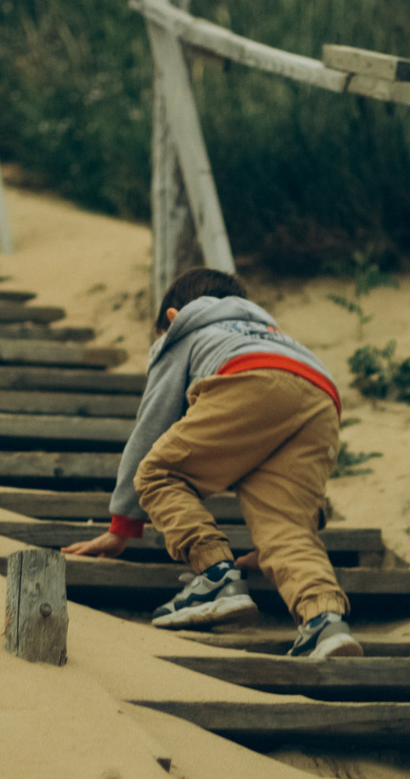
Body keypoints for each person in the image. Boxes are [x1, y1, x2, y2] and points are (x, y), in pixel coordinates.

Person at [64, 267, 359, 663]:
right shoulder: (274, 333)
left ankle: (216, 577)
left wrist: (123, 526)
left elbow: (153, 425)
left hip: (249, 378)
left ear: (172, 317)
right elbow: (293, 459)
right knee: (285, 528)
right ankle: (325, 622)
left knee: (157, 471)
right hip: (321, 392)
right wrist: (280, 535)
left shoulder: (184, 331)